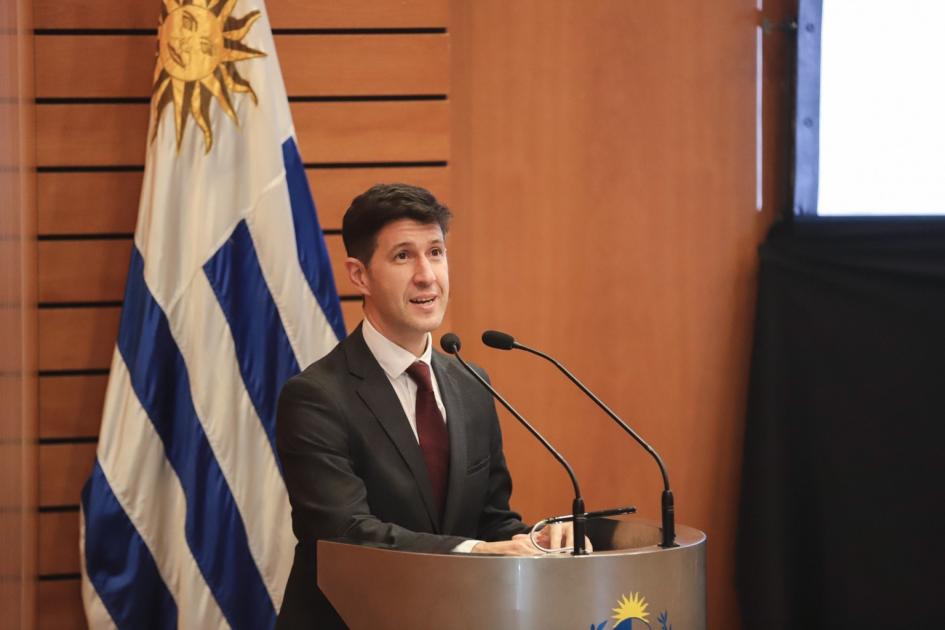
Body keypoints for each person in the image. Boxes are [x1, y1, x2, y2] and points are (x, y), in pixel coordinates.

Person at [275, 184, 577, 629]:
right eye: (403, 256)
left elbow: (490, 519)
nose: (426, 275)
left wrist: (536, 540)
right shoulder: (316, 397)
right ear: (359, 275)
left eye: (436, 252)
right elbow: (347, 534)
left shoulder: (471, 384)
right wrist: (479, 551)